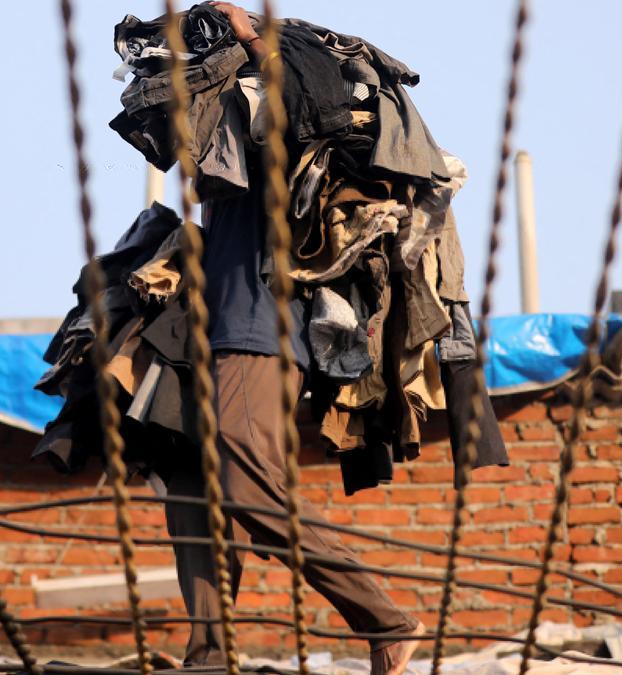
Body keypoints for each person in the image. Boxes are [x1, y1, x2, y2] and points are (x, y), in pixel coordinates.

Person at [161, 4, 425, 674]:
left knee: (250, 490)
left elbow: (298, 103)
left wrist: (252, 35)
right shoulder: (222, 148)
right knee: (196, 490)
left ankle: (386, 620)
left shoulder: (279, 135)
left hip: (258, 332)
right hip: (211, 334)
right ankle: (208, 655)